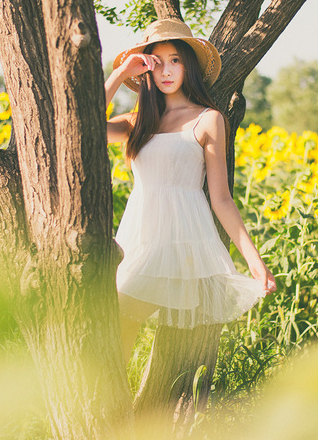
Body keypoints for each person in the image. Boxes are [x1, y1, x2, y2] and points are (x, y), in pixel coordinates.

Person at [104, 19, 277, 362]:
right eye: (158, 61)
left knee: (119, 321)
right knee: (114, 330)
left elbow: (221, 199)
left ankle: (113, 412)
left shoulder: (208, 119)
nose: (166, 70)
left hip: (177, 241)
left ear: (189, 66)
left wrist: (254, 262)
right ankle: (114, 411)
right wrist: (123, 71)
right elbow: (80, 124)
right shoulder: (139, 120)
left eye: (176, 60)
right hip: (138, 237)